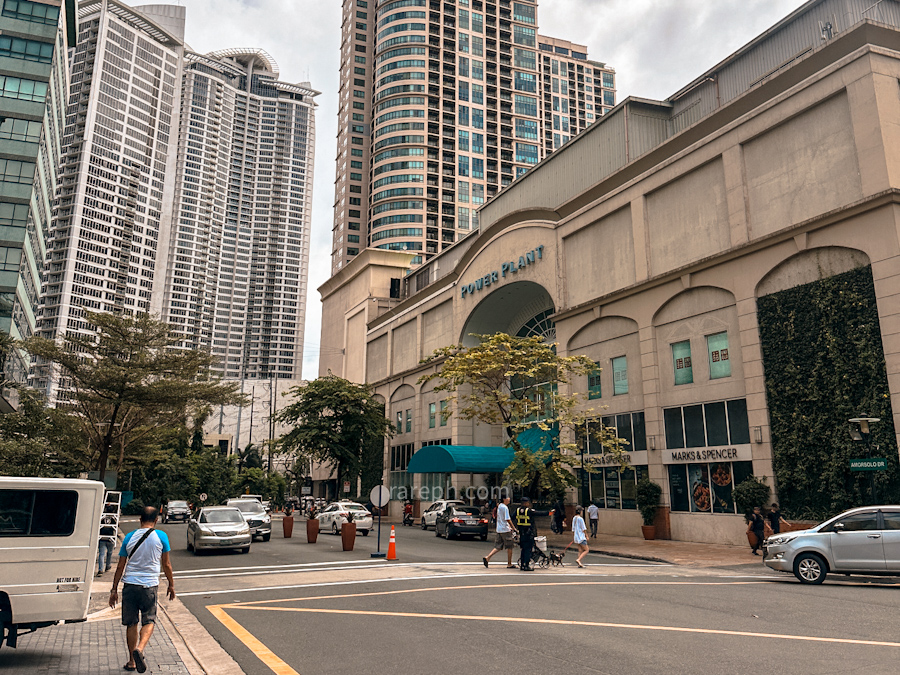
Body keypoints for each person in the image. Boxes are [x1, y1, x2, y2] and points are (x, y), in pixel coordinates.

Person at [109, 506, 175, 673]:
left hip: (130, 585)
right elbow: (166, 564)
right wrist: (171, 584)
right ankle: (140, 648)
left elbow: (120, 566)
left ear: (140, 519)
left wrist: (114, 590)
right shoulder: (161, 537)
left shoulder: (129, 537)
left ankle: (131, 661)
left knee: (131, 623)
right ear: (156, 520)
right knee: (149, 620)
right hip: (149, 586)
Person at [483, 494, 517, 569]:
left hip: (499, 529)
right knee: (510, 547)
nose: (509, 499)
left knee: (498, 546)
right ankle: (509, 563)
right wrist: (513, 527)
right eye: (508, 498)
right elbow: (508, 519)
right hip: (505, 530)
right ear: (504, 499)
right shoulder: (505, 507)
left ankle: (487, 557)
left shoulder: (500, 506)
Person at [515, 496, 538, 571]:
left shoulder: (517, 510)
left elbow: (512, 517)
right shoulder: (529, 511)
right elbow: (539, 513)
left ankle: (522, 565)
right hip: (528, 532)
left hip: (521, 533)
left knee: (523, 549)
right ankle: (526, 565)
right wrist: (550, 513)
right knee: (528, 549)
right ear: (525, 503)